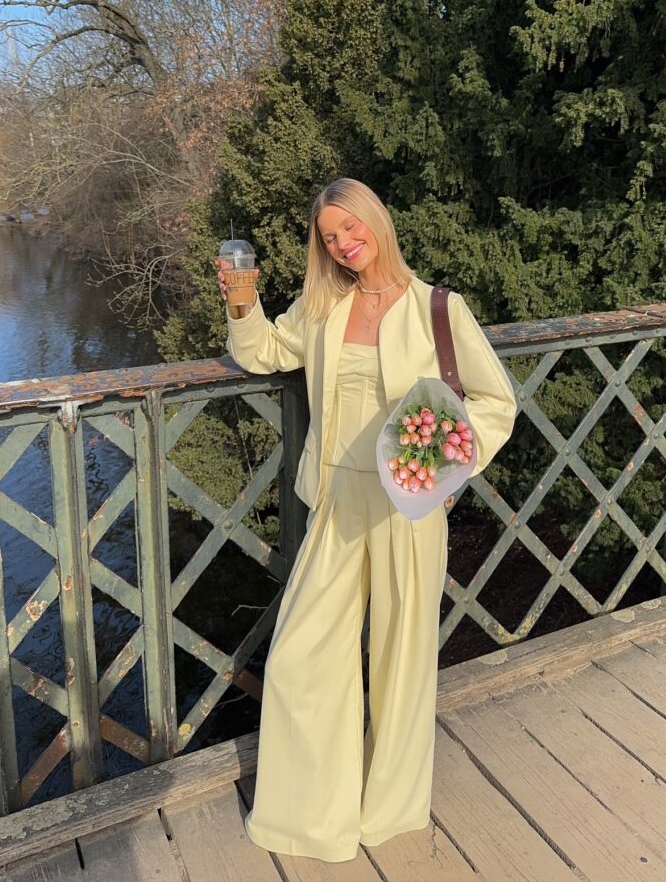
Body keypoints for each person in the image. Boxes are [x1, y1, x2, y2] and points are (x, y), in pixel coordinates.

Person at [215, 178, 517, 862]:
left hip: (409, 502)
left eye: (350, 228)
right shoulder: (322, 305)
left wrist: (446, 469)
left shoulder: (438, 308)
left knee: (400, 657)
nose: (343, 245)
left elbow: (494, 402)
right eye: (328, 237)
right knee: (300, 656)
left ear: (377, 222)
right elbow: (262, 352)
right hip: (336, 499)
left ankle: (388, 810)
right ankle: (309, 816)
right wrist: (240, 300)